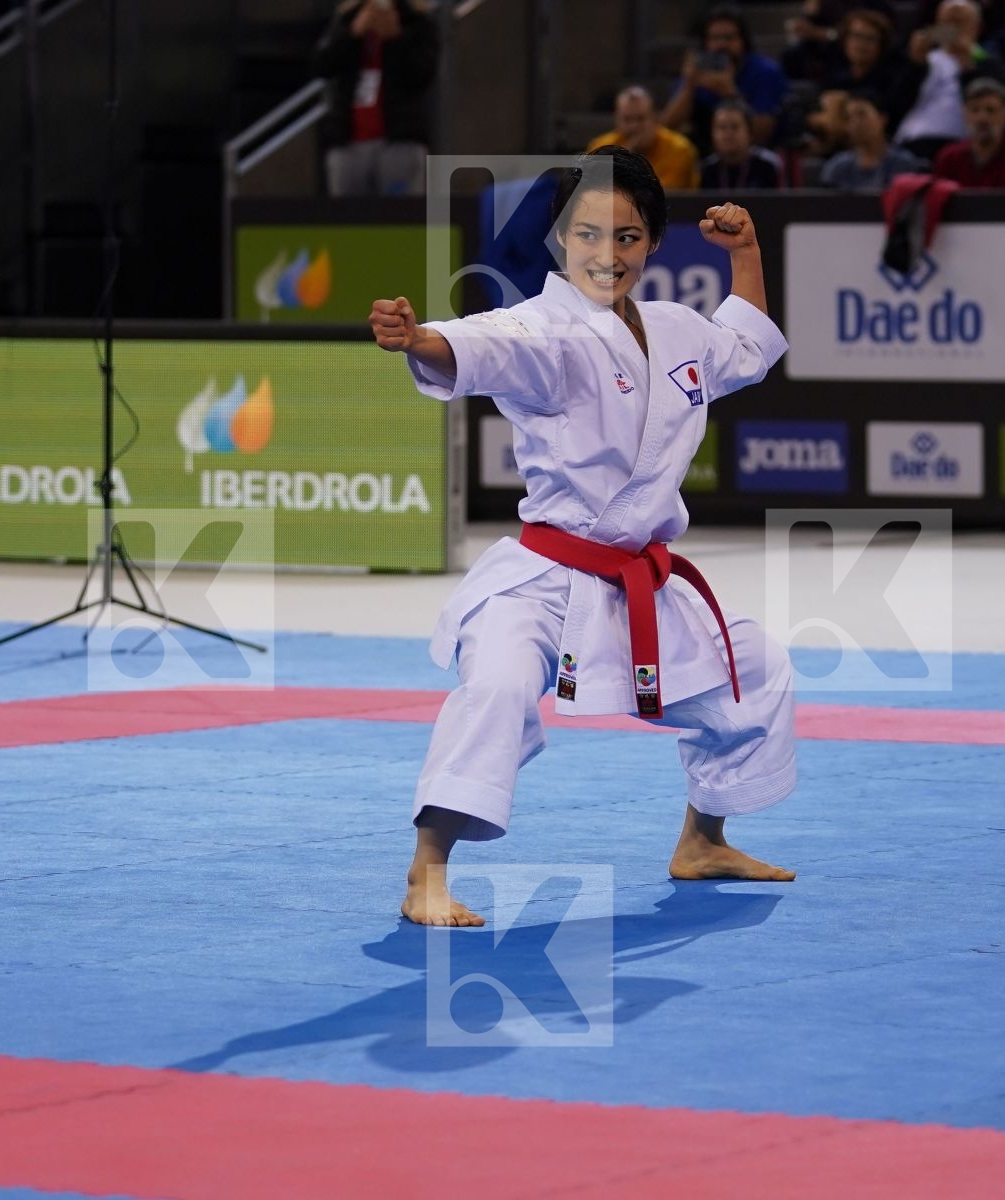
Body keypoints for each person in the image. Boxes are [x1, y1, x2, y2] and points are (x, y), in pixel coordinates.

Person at [369, 146, 798, 926]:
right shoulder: (545, 330)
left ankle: (702, 840)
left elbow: (746, 345)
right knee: (496, 686)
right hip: (543, 579)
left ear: (653, 245)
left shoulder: (674, 332)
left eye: (627, 237)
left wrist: (745, 252)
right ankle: (425, 873)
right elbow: (477, 343)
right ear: (561, 240)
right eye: (589, 236)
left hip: (638, 580)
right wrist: (416, 338)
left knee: (755, 664)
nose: (607, 255)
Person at [312, 0, 439, 197]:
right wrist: (353, 33)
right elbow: (321, 65)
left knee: (401, 220)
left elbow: (422, 74)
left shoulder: (417, 22)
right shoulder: (347, 18)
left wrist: (395, 38)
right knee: (349, 222)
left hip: (399, 142)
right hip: (348, 142)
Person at [893, 0, 1005, 161]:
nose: (954, 29)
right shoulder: (924, 59)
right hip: (913, 142)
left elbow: (994, 103)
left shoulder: (989, 62)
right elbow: (896, 105)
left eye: (960, 22)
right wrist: (915, 66)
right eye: (947, 23)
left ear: (977, 27)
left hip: (962, 146)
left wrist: (967, 66)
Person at [663, 5, 788, 156]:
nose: (722, 44)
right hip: (704, 154)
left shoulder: (766, 72)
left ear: (743, 41)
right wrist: (689, 86)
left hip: (755, 156)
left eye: (729, 38)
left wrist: (729, 92)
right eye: (715, 38)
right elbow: (667, 129)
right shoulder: (698, 71)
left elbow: (762, 133)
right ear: (705, 43)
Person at [806, 9, 903, 155]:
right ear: (845, 40)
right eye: (856, 36)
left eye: (869, 39)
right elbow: (814, 112)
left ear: (881, 45)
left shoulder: (890, 78)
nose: (860, 44)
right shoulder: (834, 76)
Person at [589, 87, 701, 190]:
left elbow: (664, 197)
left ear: (654, 118)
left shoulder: (679, 149)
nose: (634, 126)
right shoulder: (600, 148)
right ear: (616, 119)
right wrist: (623, 158)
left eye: (640, 119)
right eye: (627, 119)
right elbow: (595, 193)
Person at [933, 76, 1005, 185]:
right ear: (965, 114)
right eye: (975, 110)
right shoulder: (949, 158)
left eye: (990, 110)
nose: (982, 118)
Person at [821, 90, 923, 188]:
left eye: (862, 114)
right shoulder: (837, 167)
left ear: (882, 119)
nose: (855, 123)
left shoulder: (903, 164)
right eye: (849, 117)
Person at [700, 99, 786, 189]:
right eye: (722, 127)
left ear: (750, 132)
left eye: (735, 127)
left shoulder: (768, 166)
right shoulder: (706, 169)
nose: (728, 134)